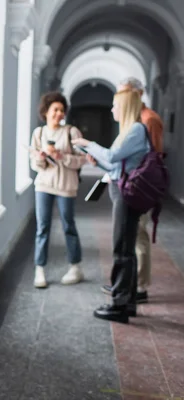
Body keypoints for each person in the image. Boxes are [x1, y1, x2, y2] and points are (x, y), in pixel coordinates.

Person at [73, 88, 151, 323]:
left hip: (127, 195)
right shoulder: (128, 130)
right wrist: (98, 162)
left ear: (125, 107)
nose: (112, 109)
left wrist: (89, 143)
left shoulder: (136, 129)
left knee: (122, 249)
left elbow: (114, 155)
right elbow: (117, 167)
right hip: (122, 189)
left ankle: (118, 304)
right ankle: (126, 303)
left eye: (116, 105)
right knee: (126, 248)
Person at [100, 77, 163, 304]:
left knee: (136, 239)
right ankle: (127, 285)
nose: (119, 100)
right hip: (127, 183)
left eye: (124, 94)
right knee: (130, 240)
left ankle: (138, 288)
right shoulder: (134, 122)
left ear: (136, 94)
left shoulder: (146, 121)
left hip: (138, 186)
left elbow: (152, 156)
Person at [29, 91, 89, 288]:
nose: (59, 114)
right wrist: (42, 157)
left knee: (68, 225)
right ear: (46, 111)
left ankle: (75, 267)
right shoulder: (38, 134)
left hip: (66, 186)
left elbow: (83, 160)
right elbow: (35, 166)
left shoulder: (72, 132)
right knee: (42, 227)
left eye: (62, 110)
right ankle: (40, 269)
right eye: (55, 109)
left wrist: (62, 157)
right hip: (43, 186)